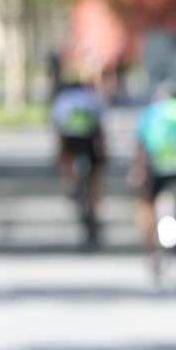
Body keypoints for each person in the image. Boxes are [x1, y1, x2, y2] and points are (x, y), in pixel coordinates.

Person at [128, 82, 176, 272]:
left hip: (158, 165)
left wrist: (137, 172)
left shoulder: (150, 113)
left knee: (146, 204)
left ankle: (151, 249)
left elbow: (140, 147)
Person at [50, 68, 108, 246]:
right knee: (95, 176)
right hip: (89, 139)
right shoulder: (93, 98)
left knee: (64, 159)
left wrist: (58, 154)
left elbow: (57, 129)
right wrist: (105, 153)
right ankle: (94, 200)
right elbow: (100, 127)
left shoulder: (62, 100)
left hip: (70, 140)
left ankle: (71, 184)